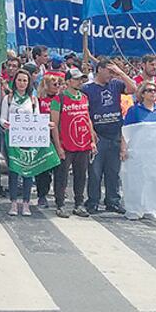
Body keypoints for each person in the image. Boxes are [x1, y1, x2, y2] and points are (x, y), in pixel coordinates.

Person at [82, 57, 136, 215]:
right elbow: (84, 112)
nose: (111, 75)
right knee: (95, 172)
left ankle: (113, 201)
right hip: (98, 135)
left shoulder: (116, 84)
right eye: (109, 71)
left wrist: (121, 73)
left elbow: (133, 89)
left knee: (113, 171)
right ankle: (93, 201)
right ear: (99, 69)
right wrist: (91, 133)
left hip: (115, 133)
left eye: (113, 72)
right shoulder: (87, 88)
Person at [122, 81, 156, 222]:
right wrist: (123, 148)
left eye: (155, 91)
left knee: (153, 180)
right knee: (136, 180)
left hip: (155, 151)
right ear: (142, 94)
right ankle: (133, 208)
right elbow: (125, 130)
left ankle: (150, 209)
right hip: (138, 150)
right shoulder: (134, 110)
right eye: (149, 90)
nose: (153, 93)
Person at [50, 68, 97, 219]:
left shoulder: (84, 97)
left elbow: (87, 119)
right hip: (66, 144)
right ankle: (60, 204)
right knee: (62, 176)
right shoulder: (59, 100)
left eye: (81, 79)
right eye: (76, 79)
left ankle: (79, 204)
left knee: (81, 175)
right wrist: (58, 147)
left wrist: (92, 140)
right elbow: (54, 125)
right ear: (68, 81)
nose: (79, 82)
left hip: (83, 143)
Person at [0, 69, 39, 217]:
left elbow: (37, 118)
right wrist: (5, 124)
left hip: (28, 139)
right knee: (14, 171)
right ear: (15, 81)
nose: (22, 83)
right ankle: (14, 203)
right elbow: (2, 118)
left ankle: (26, 203)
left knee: (28, 171)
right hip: (12, 139)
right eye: (19, 80)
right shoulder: (8, 99)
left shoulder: (33, 100)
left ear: (28, 83)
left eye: (24, 80)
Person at [34, 71, 63, 208]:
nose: (57, 86)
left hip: (58, 135)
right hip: (43, 136)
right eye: (54, 84)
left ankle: (59, 193)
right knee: (43, 169)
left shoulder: (60, 99)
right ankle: (42, 195)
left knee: (59, 167)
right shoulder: (39, 100)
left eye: (59, 84)